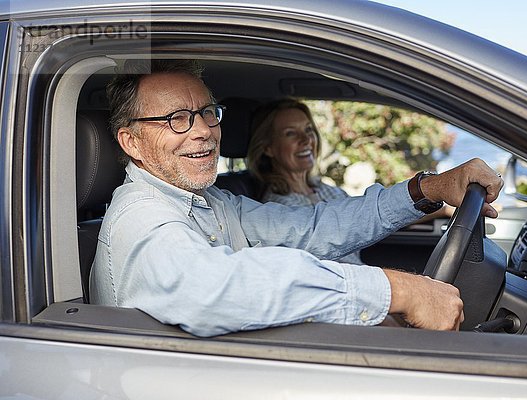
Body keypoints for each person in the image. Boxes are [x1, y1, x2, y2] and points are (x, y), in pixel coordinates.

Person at [89, 59, 504, 337]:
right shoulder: (140, 218)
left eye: (207, 113)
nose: (202, 131)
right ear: (132, 143)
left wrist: (426, 189)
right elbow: (214, 288)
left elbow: (311, 227)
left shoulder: (212, 203)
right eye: (175, 119)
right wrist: (395, 290)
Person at [247, 98, 362, 264]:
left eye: (308, 130)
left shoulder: (326, 190)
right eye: (291, 133)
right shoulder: (279, 209)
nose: (306, 140)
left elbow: (363, 219)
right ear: (268, 148)